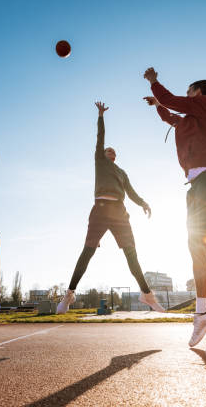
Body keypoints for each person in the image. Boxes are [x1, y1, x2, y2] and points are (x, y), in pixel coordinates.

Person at [143, 67, 206, 357]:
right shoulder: (192, 120)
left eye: (189, 92)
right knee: (195, 248)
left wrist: (154, 84)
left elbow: (175, 102)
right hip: (196, 185)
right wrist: (159, 105)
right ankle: (203, 314)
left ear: (199, 91)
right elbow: (173, 115)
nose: (187, 96)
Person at [57, 101, 165, 314]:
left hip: (119, 213)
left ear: (116, 157)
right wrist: (100, 116)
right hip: (100, 210)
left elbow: (131, 192)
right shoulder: (100, 161)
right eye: (107, 149)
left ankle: (147, 295)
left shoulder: (122, 173)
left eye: (112, 150)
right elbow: (100, 138)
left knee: (131, 254)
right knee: (87, 252)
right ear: (104, 154)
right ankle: (69, 294)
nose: (110, 150)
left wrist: (143, 203)